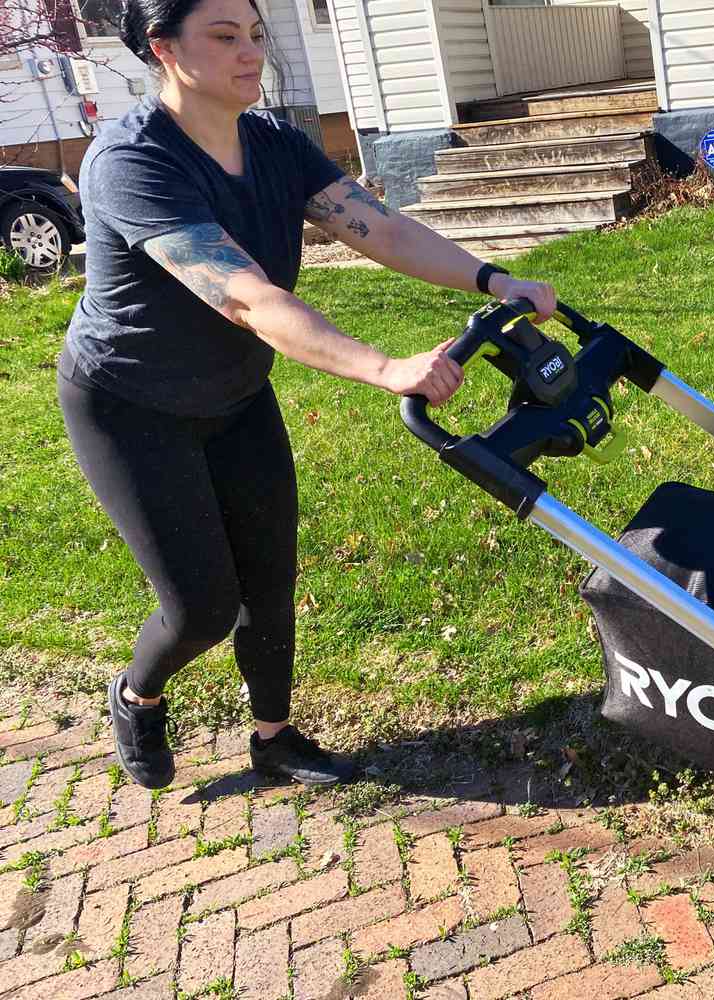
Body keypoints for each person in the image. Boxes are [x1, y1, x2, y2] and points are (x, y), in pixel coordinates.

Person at [57, 0, 556, 790]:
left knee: (269, 577)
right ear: (164, 49)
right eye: (224, 37)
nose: (251, 52)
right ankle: (137, 693)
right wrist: (385, 366)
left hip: (235, 394)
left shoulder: (278, 146)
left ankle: (274, 737)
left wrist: (495, 278)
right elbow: (247, 299)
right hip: (130, 404)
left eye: (256, 34)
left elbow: (382, 230)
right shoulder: (133, 162)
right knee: (199, 608)